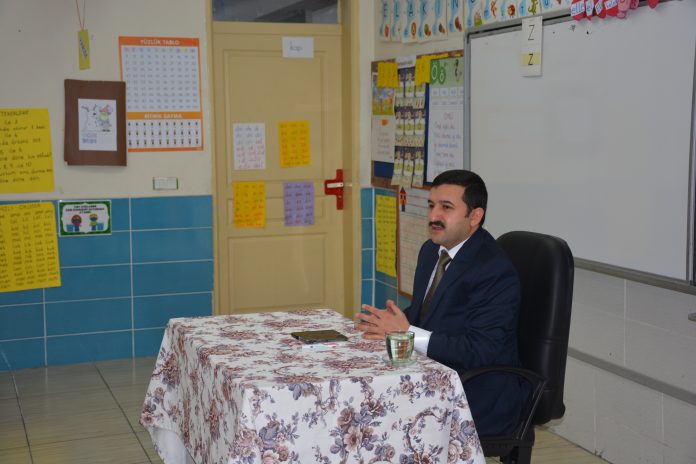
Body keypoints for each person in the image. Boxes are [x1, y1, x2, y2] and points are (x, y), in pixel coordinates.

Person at [355, 169, 525, 437]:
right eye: (431, 205)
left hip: (478, 393)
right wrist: (384, 324)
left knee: (374, 420)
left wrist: (405, 332)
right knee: (360, 403)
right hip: (433, 375)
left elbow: (480, 350)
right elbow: (424, 314)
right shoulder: (430, 251)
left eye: (446, 207)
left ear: (474, 216)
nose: (433, 216)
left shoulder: (493, 270)